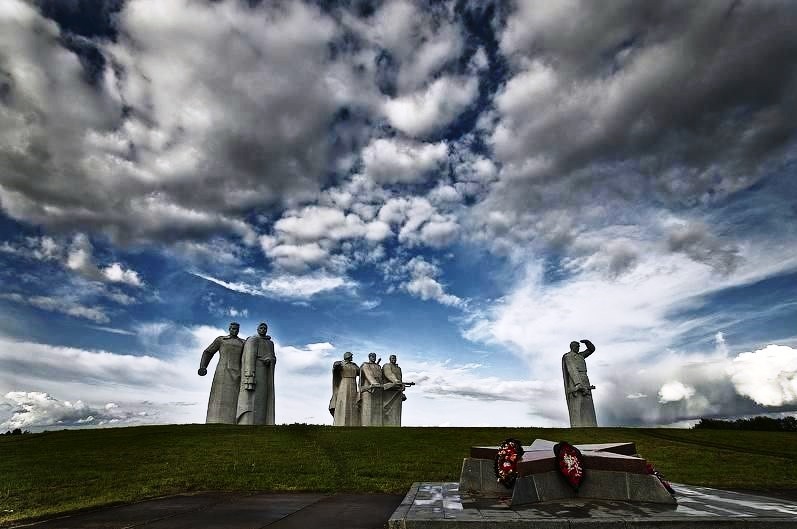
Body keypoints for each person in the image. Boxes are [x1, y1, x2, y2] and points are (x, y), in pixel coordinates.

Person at [198, 322, 245, 423]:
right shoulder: (221, 340)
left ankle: (233, 421)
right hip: (222, 372)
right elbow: (208, 352)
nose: (235, 330)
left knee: (235, 398)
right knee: (218, 396)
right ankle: (214, 420)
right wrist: (203, 366)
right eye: (233, 328)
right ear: (229, 329)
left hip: (238, 373)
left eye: (237, 329)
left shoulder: (243, 343)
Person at [236, 322, 276, 425]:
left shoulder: (270, 343)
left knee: (263, 397)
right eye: (261, 327)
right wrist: (249, 375)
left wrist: (270, 359)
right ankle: (248, 421)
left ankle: (262, 421)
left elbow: (273, 357)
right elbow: (249, 357)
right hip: (255, 371)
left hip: (265, 372)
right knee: (252, 397)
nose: (263, 329)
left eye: (265, 328)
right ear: (257, 329)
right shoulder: (253, 340)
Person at [562, 339, 598, 427]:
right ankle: (577, 425)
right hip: (575, 380)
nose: (578, 348)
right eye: (577, 347)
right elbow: (571, 369)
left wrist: (588, 343)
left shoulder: (581, 355)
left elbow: (591, 350)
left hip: (585, 377)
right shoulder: (568, 356)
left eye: (579, 347)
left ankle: (590, 424)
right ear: (572, 347)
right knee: (578, 402)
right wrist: (578, 383)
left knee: (587, 402)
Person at [329, 352, 360, 426]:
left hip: (353, 383)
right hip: (344, 383)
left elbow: (360, 372)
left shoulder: (354, 365)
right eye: (351, 356)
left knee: (353, 402)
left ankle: (353, 422)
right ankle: (341, 422)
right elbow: (335, 368)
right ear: (347, 357)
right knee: (344, 401)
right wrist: (336, 365)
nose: (352, 357)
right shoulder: (341, 364)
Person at [359, 352, 384, 426]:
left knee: (377, 408)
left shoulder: (378, 366)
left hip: (378, 388)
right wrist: (374, 383)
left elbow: (381, 377)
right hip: (368, 388)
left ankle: (378, 425)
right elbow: (368, 374)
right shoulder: (365, 365)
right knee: (368, 407)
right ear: (369, 357)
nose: (373, 358)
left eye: (374, 356)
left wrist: (381, 385)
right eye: (372, 356)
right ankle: (366, 424)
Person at [382, 354, 407, 427]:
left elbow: (400, 379)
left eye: (395, 358)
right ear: (389, 359)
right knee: (387, 408)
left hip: (397, 391)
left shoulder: (398, 368)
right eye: (392, 358)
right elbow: (389, 374)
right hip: (389, 391)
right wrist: (396, 381)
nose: (394, 359)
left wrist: (402, 385)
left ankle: (396, 425)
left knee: (396, 410)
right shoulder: (387, 366)